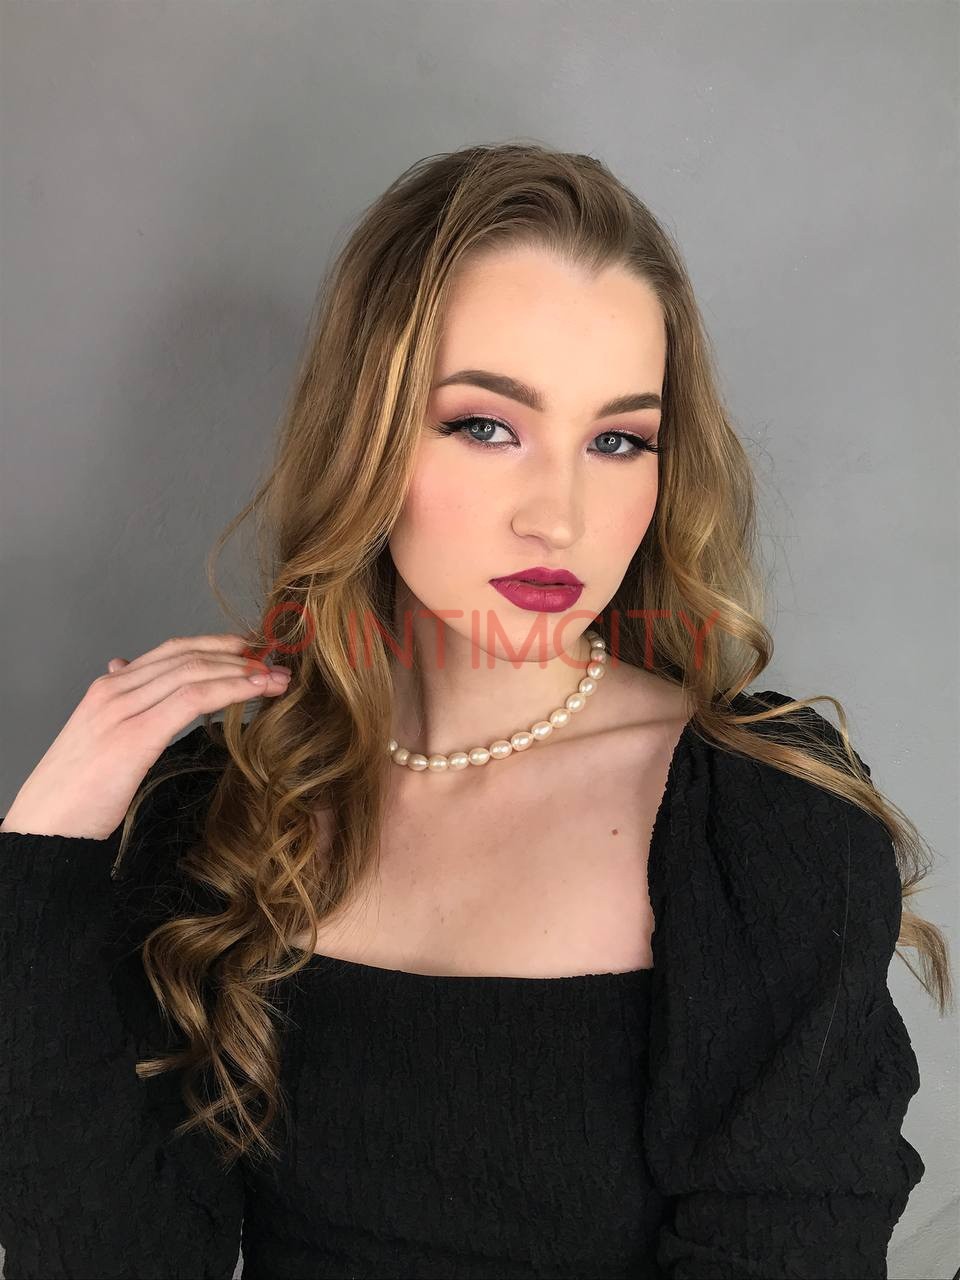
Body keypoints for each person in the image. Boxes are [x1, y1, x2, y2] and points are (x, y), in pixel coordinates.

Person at [0, 142, 951, 1280]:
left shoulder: (754, 824)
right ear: (365, 434)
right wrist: (42, 854)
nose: (559, 516)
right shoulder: (226, 805)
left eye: (618, 440)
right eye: (487, 426)